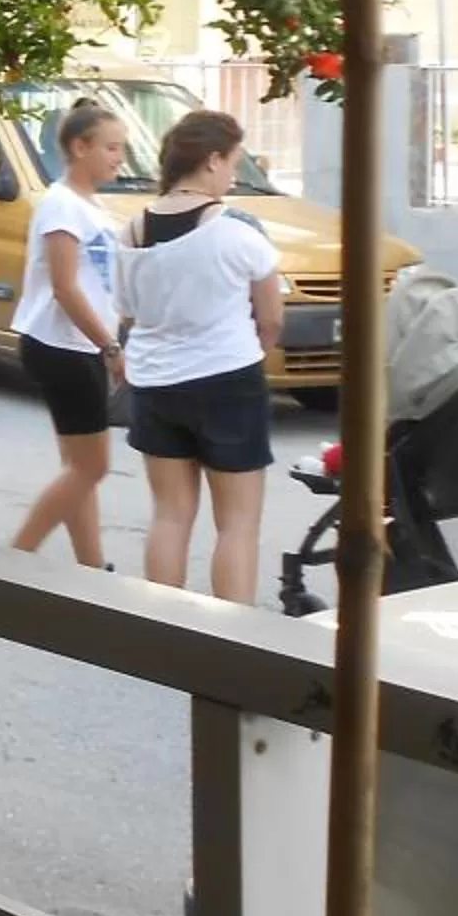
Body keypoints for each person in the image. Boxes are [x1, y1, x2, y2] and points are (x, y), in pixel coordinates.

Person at [120, 110, 284, 602]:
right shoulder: (237, 231)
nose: (233, 174)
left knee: (169, 515)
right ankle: (231, 633)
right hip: (228, 380)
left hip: (154, 382)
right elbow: (271, 317)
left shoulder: (132, 231)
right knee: (237, 523)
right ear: (212, 160)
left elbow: (127, 311)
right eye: (233, 162)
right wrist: (255, 349)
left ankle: (163, 626)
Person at [9, 100, 131, 568]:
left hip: (79, 346)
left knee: (80, 467)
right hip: (62, 346)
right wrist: (110, 345)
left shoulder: (89, 205)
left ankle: (91, 568)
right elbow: (64, 287)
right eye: (111, 148)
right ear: (80, 147)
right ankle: (16, 558)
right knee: (92, 466)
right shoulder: (61, 204)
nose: (120, 157)